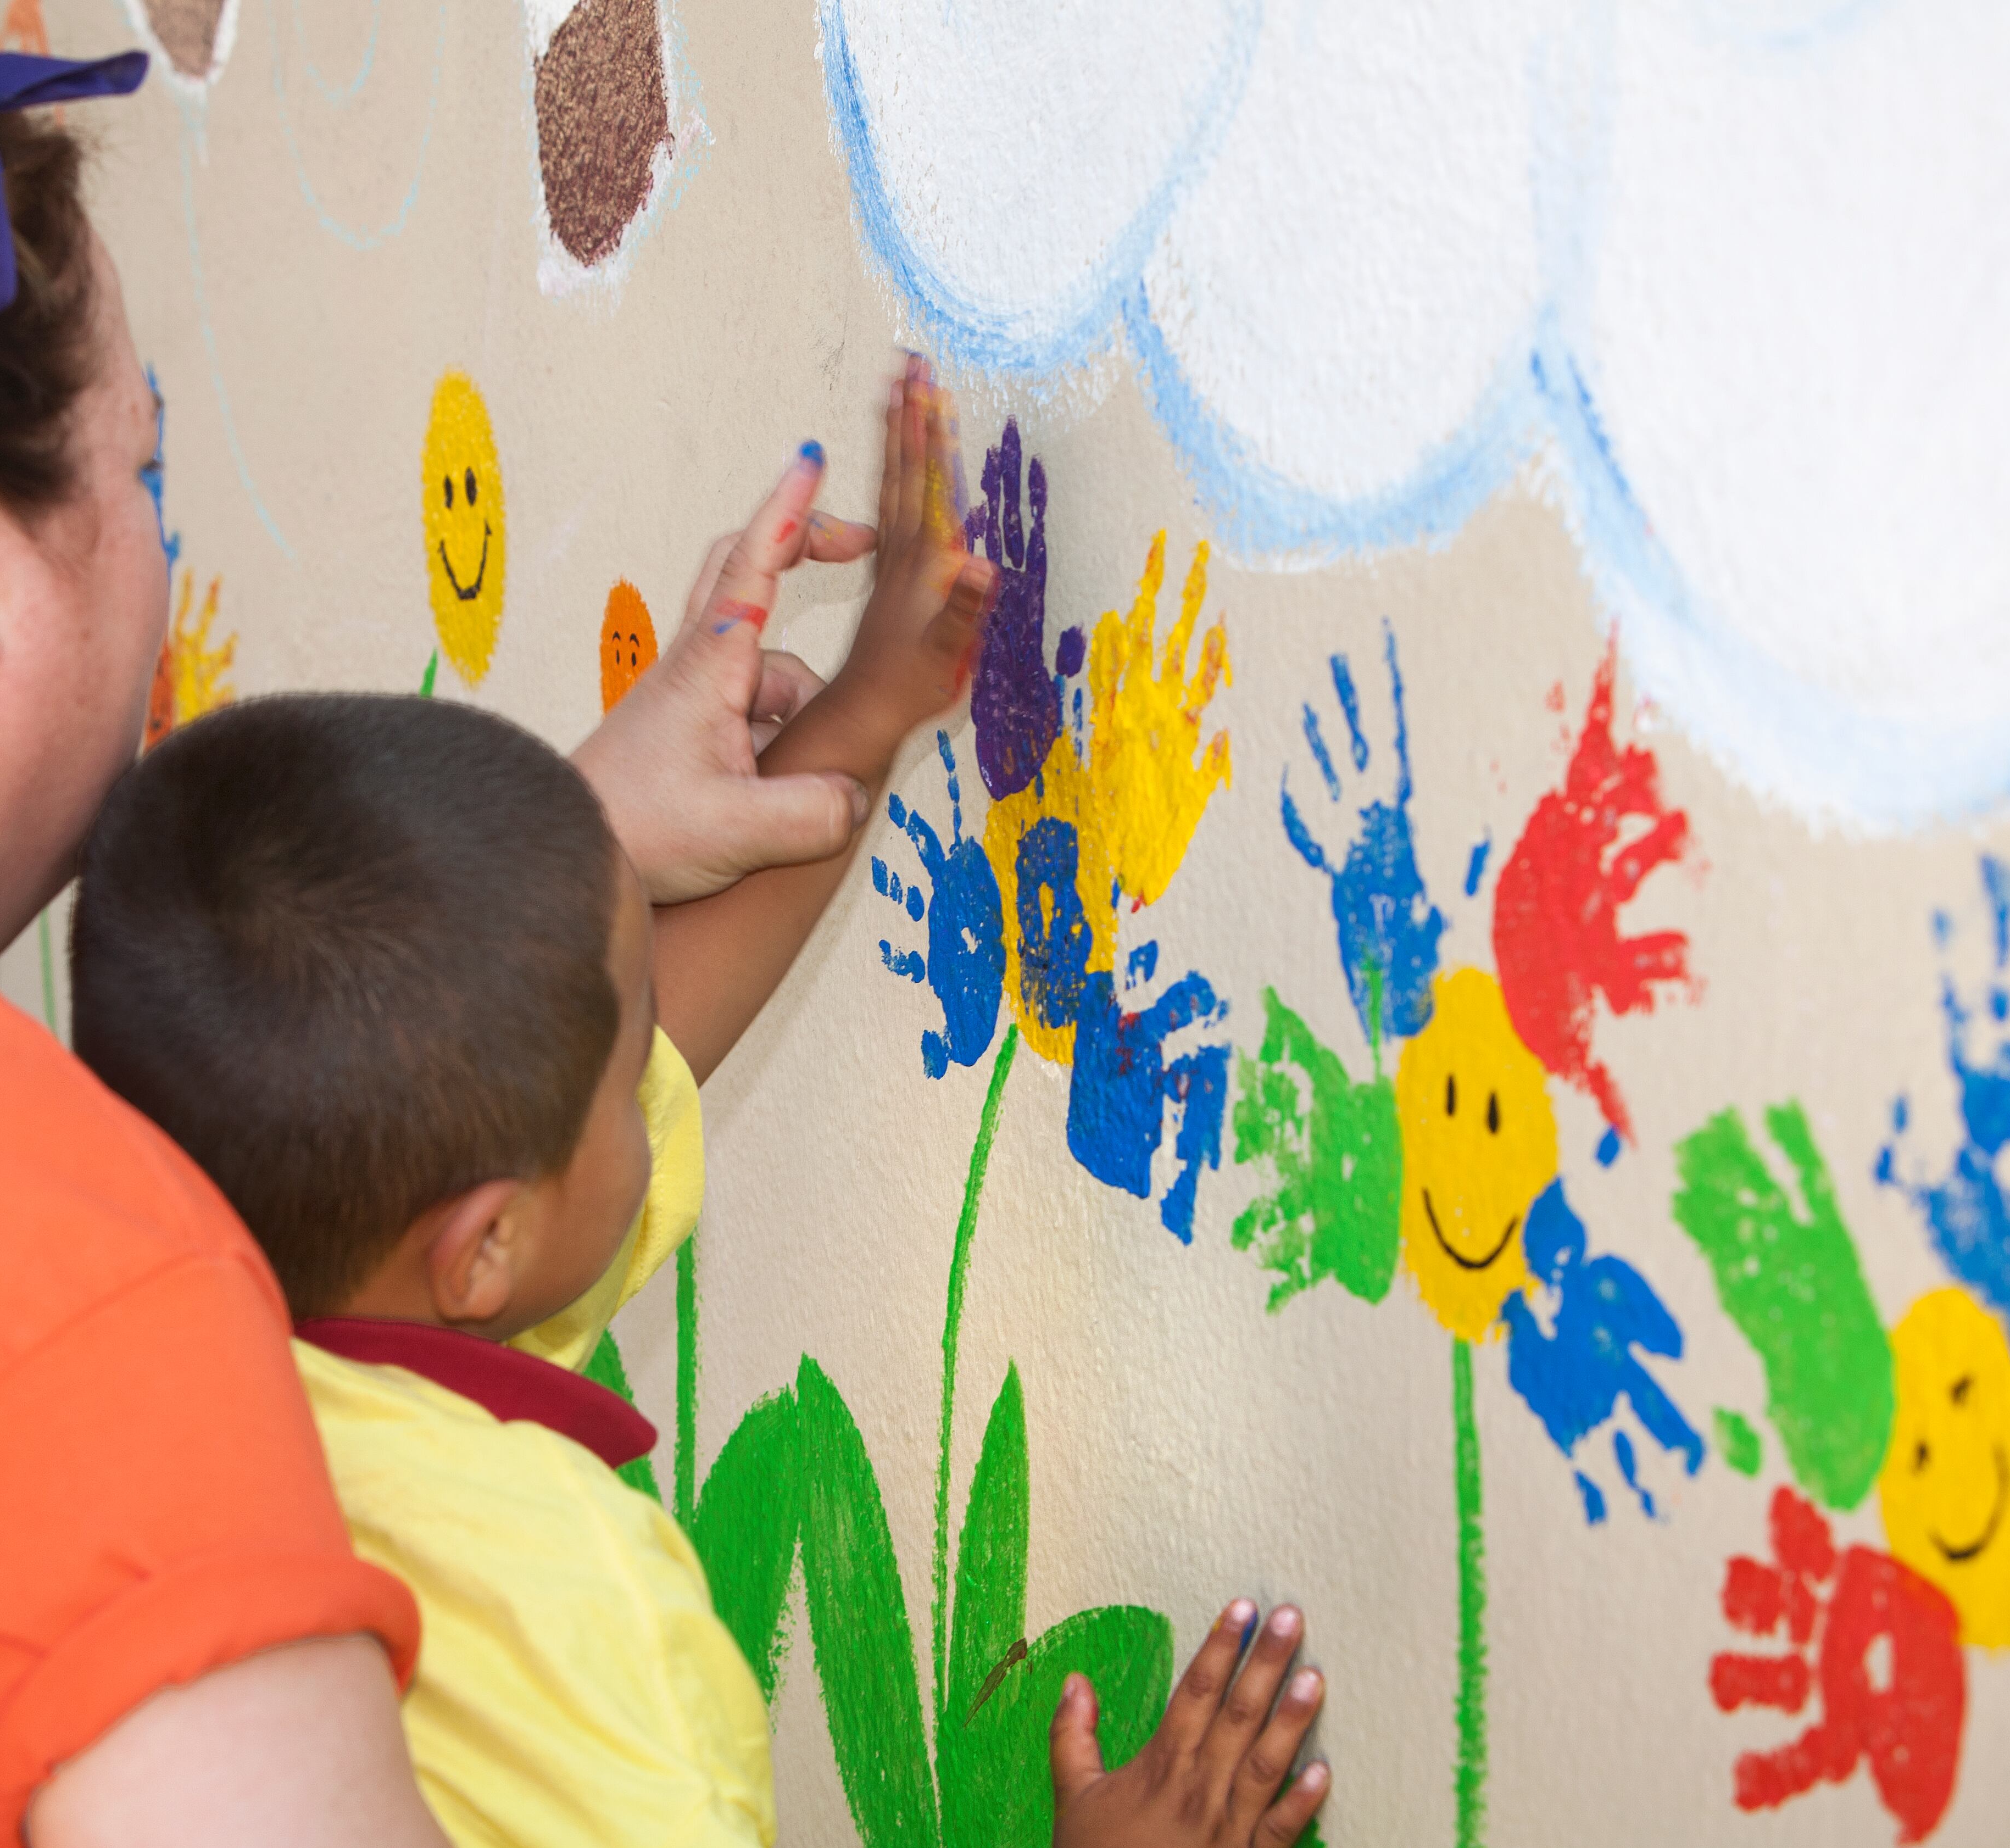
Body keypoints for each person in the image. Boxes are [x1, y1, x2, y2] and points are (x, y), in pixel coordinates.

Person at [0, 16, 1330, 1848]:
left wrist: (685, 794)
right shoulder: (75, 1299)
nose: (161, 561)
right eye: (144, 483)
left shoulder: (192, 1155)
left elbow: (503, 1095)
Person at [64, 370, 1333, 1848]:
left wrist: (873, 700)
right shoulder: (589, 1637)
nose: (662, 1047)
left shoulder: (229, 1349)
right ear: (481, 1251)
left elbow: (623, 1024)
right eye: (625, 1066)